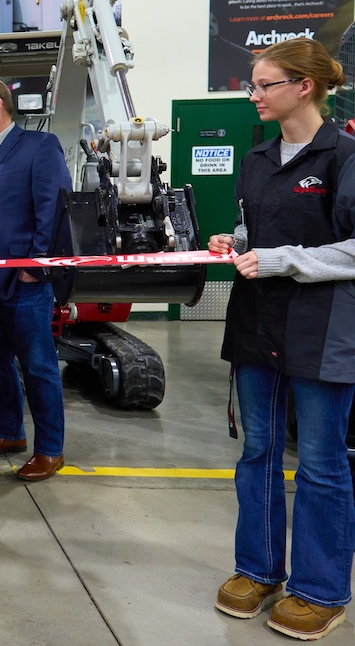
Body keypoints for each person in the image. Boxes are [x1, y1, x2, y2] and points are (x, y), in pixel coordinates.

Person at [208, 37, 355, 641]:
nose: (255, 94)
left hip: (321, 332)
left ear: (305, 86)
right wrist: (234, 245)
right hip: (256, 328)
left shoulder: (344, 157)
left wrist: (284, 260)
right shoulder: (258, 158)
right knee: (258, 454)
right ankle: (258, 570)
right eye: (254, 84)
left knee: (321, 464)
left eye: (265, 85)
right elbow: (256, 235)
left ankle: (320, 589)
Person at [0, 78, 71, 482]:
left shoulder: (39, 147)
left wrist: (35, 267)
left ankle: (50, 449)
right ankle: (9, 432)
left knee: (38, 366)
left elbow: (53, 207)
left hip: (24, 284)